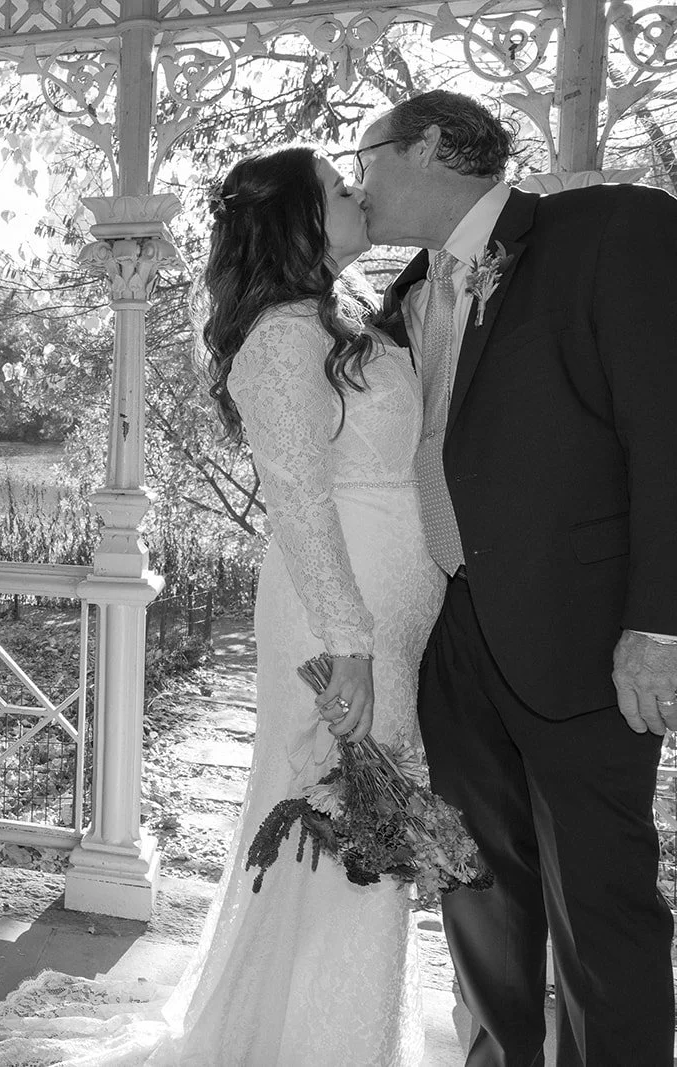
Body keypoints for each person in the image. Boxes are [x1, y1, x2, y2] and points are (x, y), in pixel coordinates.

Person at [0, 146, 441, 1066]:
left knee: (360, 835)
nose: (360, 196)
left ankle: (335, 1036)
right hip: (334, 627)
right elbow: (301, 505)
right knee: (341, 829)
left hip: (383, 622)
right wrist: (351, 645)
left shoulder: (336, 323)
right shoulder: (279, 342)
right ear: (299, 223)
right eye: (340, 191)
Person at [356, 90, 677, 1066]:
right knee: (477, 888)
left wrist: (659, 623)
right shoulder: (407, 293)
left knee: (599, 899)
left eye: (365, 159)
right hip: (453, 628)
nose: (359, 182)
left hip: (582, 634)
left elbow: (665, 428)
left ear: (425, 148)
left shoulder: (608, 230)